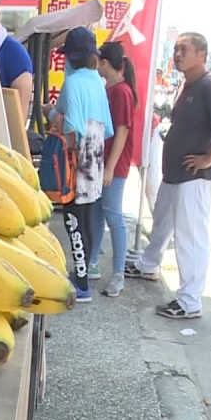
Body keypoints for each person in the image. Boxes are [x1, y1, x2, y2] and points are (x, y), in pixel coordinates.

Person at [125, 33, 211, 320]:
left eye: (184, 49)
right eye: (176, 49)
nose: (177, 54)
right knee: (162, 223)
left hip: (193, 177)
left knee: (190, 237)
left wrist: (208, 158)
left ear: (202, 54)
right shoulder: (187, 85)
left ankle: (189, 301)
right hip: (175, 174)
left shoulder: (210, 86)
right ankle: (149, 265)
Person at [52, 27, 113, 303]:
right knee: (86, 219)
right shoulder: (98, 83)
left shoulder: (73, 83)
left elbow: (71, 125)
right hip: (96, 157)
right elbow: (108, 128)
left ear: (72, 58)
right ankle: (83, 274)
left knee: (72, 219)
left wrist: (50, 112)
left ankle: (81, 284)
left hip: (76, 160)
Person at [87, 41, 137, 298]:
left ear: (104, 63)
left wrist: (110, 168)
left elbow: (122, 131)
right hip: (103, 163)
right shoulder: (112, 89)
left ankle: (118, 274)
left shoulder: (121, 92)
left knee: (113, 217)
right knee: (97, 212)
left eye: (98, 61)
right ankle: (92, 263)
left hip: (112, 165)